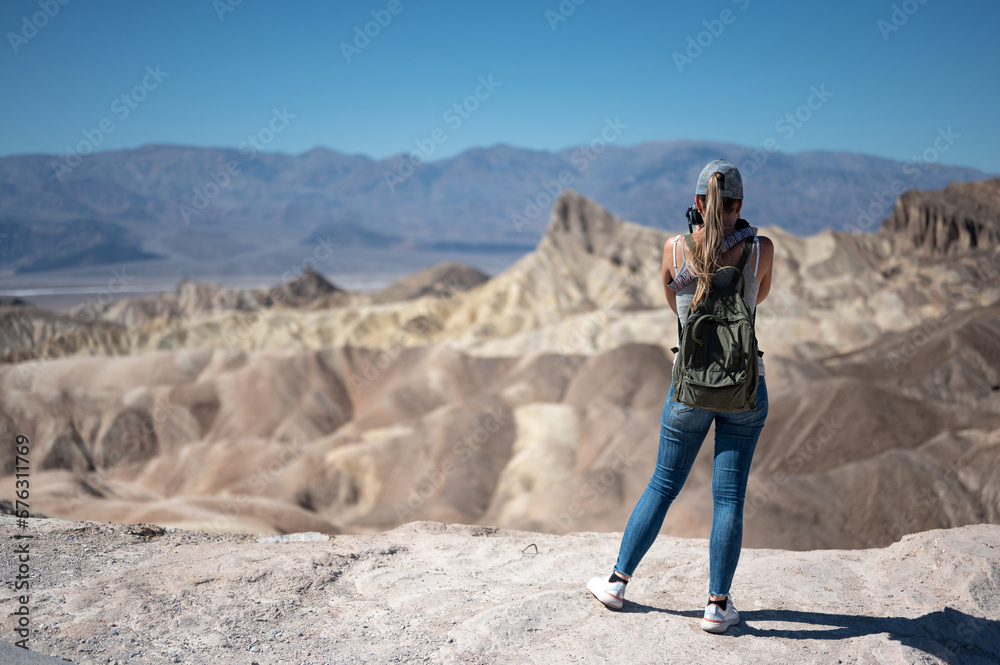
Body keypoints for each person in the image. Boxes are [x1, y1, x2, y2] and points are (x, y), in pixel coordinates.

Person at [586, 159, 774, 633]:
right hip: (743, 388)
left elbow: (678, 307)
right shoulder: (760, 250)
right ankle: (716, 605)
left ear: (696, 203)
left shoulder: (673, 250)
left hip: (688, 387)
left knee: (662, 485)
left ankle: (616, 581)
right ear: (740, 204)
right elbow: (759, 300)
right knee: (729, 496)